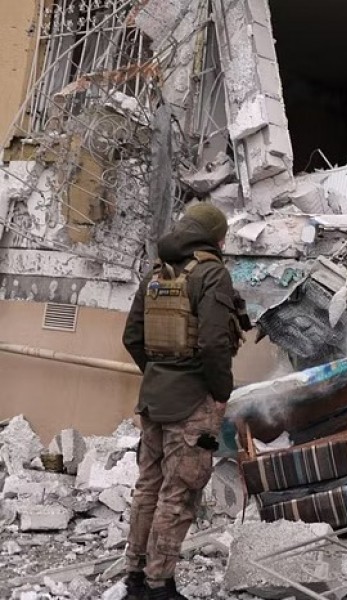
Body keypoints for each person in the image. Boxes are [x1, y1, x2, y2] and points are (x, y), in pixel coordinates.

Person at [120, 203, 244, 600]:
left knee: (148, 488)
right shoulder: (212, 274)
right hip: (191, 403)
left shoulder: (155, 273)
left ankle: (135, 577)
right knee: (180, 493)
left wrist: (158, 372)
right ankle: (159, 586)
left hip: (154, 399)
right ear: (213, 237)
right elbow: (213, 342)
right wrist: (220, 394)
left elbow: (132, 338)